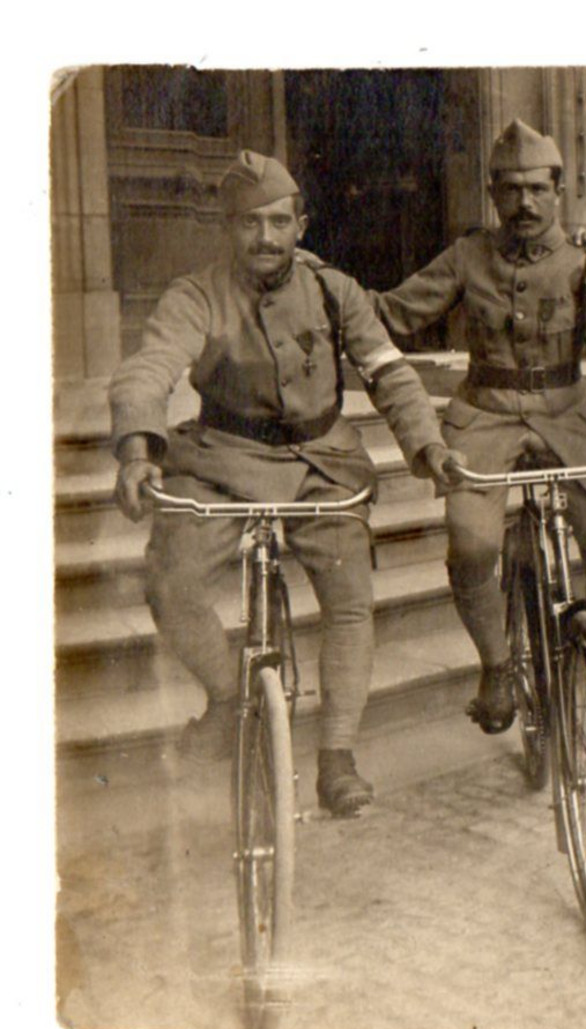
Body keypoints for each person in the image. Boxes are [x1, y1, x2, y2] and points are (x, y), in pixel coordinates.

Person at [109, 150, 459, 817]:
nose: (265, 237)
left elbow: (389, 371)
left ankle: (337, 753)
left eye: (278, 221)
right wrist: (136, 449)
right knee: (168, 577)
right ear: (226, 228)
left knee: (351, 598)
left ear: (300, 223)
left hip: (323, 464)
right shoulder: (196, 294)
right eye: (248, 223)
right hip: (222, 459)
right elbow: (148, 369)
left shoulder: (335, 290)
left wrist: (428, 445)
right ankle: (225, 694)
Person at [370, 119, 586, 745]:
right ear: (493, 195)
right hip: (485, 412)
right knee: (472, 547)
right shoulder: (468, 256)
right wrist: (327, 293)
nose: (525, 203)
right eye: (510, 189)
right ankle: (497, 667)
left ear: (559, 191)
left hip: (570, 412)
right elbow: (394, 312)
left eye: (537, 188)